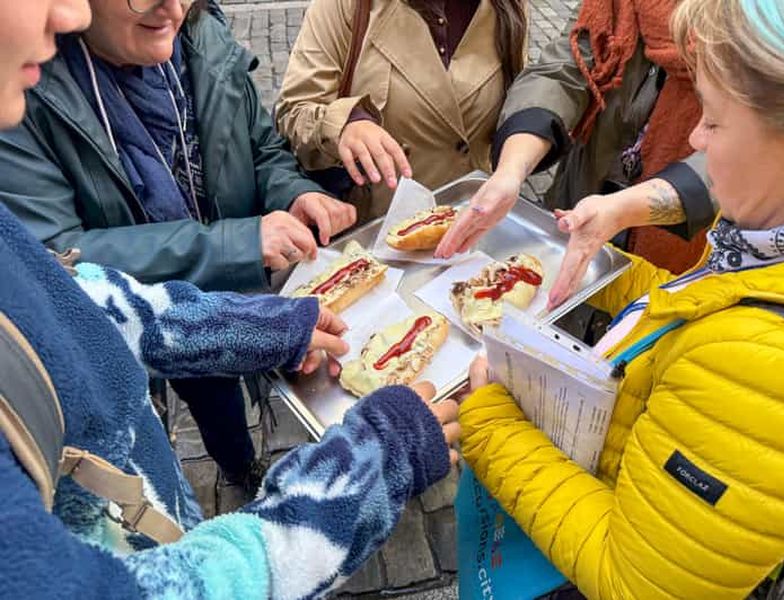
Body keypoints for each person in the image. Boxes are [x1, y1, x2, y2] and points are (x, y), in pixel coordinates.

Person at [0, 2, 460, 597]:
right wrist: (362, 477)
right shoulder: (30, 103)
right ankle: (239, 465)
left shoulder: (202, 30)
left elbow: (69, 296)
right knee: (218, 415)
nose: (66, 13)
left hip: (217, 331)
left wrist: (251, 314)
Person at [459, 0, 784, 598]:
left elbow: (632, 580)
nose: (694, 138)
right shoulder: (764, 244)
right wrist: (612, 273)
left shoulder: (763, 368)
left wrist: (489, 417)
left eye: (713, 121)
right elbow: (707, 304)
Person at [0, 0, 360, 488]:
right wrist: (235, 246)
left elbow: (261, 148)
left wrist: (292, 192)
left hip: (253, 291)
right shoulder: (19, 86)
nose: (172, 7)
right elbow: (60, 261)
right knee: (212, 400)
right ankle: (239, 467)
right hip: (152, 324)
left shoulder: (202, 32)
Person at [436, 0, 716, 277]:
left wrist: (628, 208)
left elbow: (738, 157)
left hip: (681, 233)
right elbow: (564, 69)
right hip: (583, 194)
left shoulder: (741, 22)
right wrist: (512, 169)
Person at [275, 0, 528, 220]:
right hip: (379, 235)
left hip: (473, 223)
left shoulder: (508, 7)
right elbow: (294, 112)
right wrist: (345, 124)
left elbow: (518, 106)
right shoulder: (348, 6)